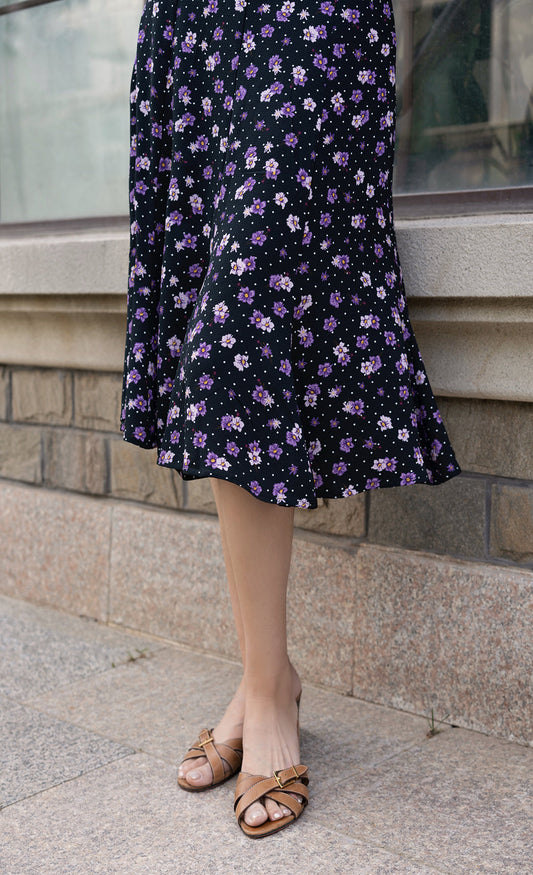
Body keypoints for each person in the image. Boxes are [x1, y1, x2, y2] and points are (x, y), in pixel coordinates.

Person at [120, 0, 461, 838]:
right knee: (220, 321)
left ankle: (266, 692)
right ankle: (263, 675)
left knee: (238, 320)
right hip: (196, 27)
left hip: (312, 19)